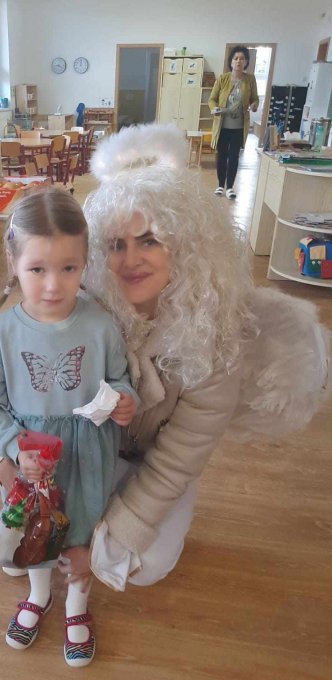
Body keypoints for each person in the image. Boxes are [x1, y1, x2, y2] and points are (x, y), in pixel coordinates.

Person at [48, 123, 326, 592]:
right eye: (116, 244)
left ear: (186, 244)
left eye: (149, 240)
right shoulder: (88, 309)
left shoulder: (217, 336)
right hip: (95, 449)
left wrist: (103, 543)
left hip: (158, 461)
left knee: (146, 562)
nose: (130, 259)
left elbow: (175, 461)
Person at [0, 187, 138, 667]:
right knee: (36, 529)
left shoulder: (101, 325)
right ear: (14, 263)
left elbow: (118, 378)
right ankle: (39, 594)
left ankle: (77, 604)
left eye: (68, 268)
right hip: (34, 460)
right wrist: (13, 447)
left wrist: (124, 399)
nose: (52, 285)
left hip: (87, 452)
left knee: (81, 527)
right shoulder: (0, 335)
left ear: (85, 264)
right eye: (37, 269)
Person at [209, 45, 259, 199]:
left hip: (239, 127)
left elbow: (255, 99)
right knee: (222, 155)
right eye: (236, 58)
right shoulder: (223, 79)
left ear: (246, 62)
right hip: (222, 125)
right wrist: (214, 108)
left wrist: (254, 105)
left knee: (234, 156)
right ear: (231, 62)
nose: (238, 61)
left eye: (242, 59)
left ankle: (230, 187)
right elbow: (212, 99)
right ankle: (220, 185)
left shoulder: (250, 80)